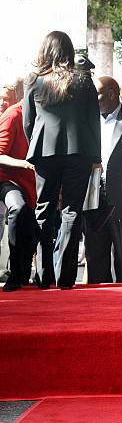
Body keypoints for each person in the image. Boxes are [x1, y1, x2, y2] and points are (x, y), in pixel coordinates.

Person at [23, 31, 101, 289]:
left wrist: (35, 147)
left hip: (45, 151)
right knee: (71, 211)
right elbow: (93, 121)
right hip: (80, 152)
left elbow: (28, 122)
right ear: (69, 51)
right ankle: (66, 278)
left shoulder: (34, 79)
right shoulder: (83, 80)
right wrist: (96, 156)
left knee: (44, 208)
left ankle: (44, 276)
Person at [84, 76, 122, 283]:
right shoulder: (86, 119)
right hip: (93, 195)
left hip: (121, 195)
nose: (92, 100)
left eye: (97, 95)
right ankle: (95, 303)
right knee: (95, 253)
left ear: (112, 94)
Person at [0, 99, 37, 291]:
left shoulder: (46, 114)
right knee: (18, 207)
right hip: (8, 180)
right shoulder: (13, 115)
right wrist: (22, 163)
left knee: (33, 231)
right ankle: (14, 274)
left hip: (32, 183)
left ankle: (23, 273)